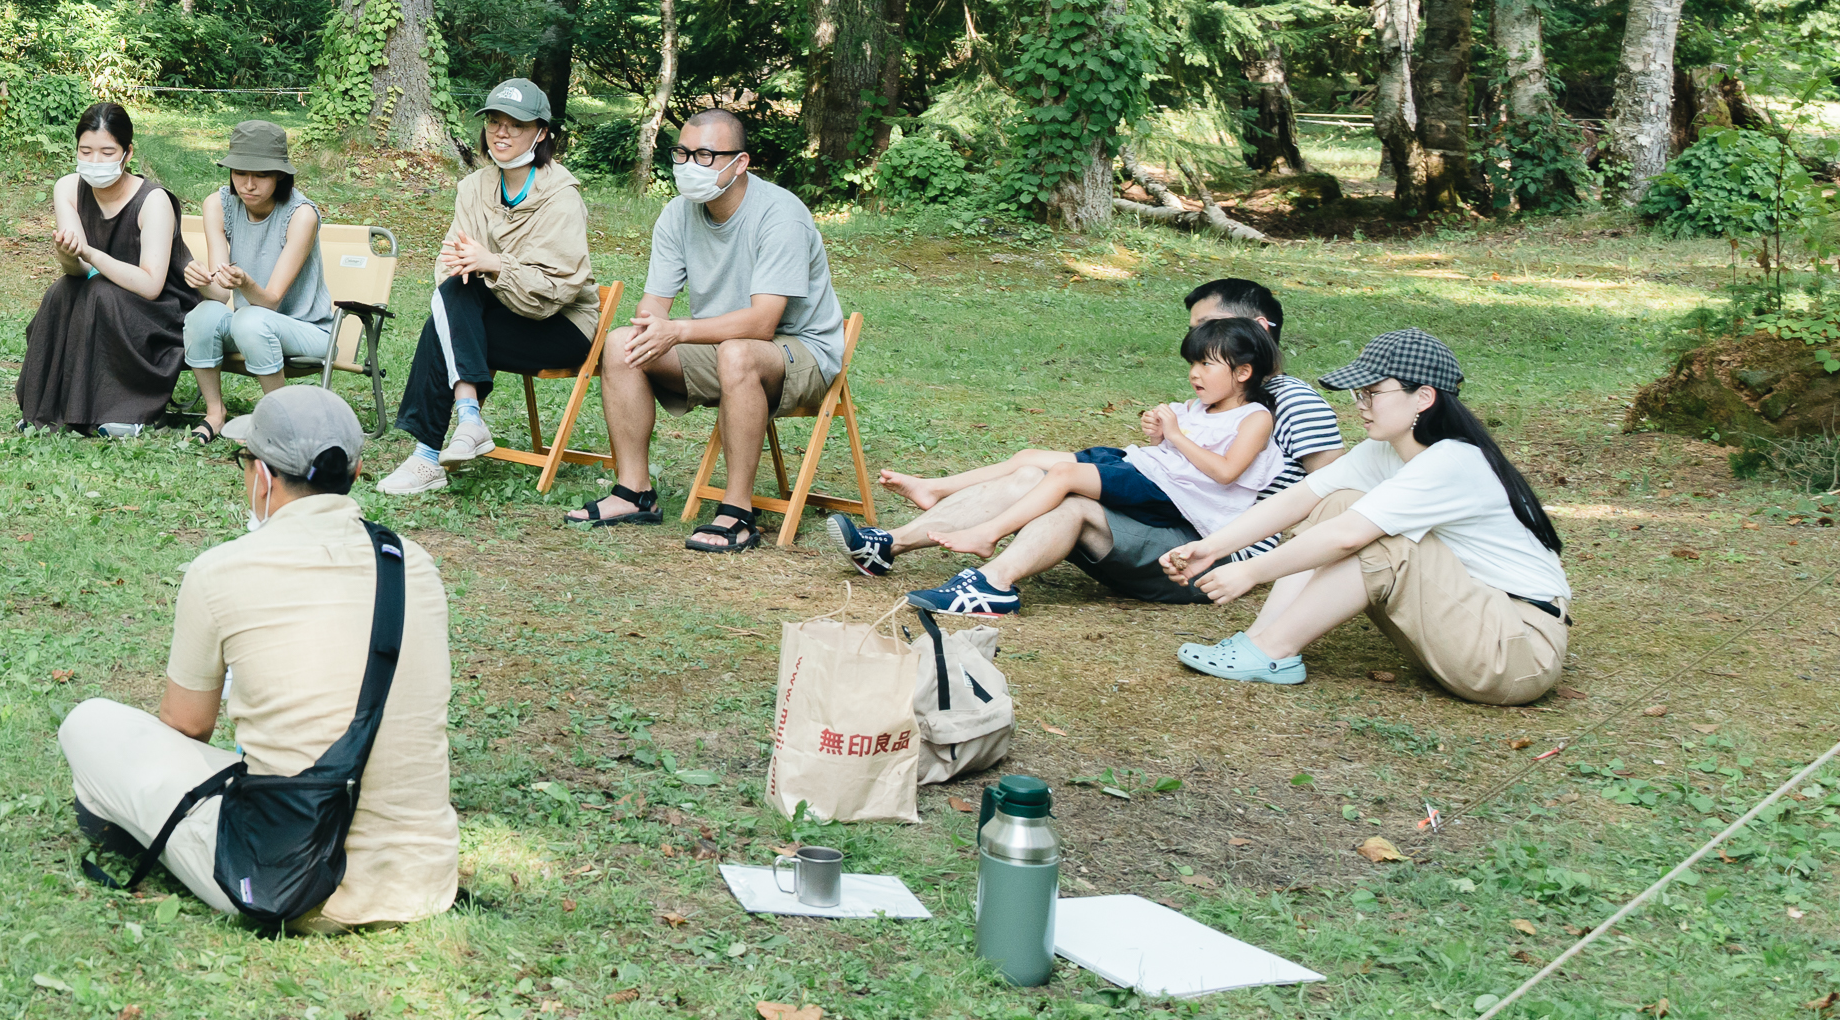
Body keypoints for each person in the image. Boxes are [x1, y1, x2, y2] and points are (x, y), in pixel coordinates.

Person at [53, 385, 455, 931]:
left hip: (294, 882)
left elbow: (187, 726)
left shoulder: (221, 570)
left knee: (89, 723)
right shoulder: (414, 563)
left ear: (262, 477)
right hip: (422, 878)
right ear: (355, 472)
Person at [836, 280, 1337, 618]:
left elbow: (1334, 488)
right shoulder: (1214, 399)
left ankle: (993, 583)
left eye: (1206, 329)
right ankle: (889, 544)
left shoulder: (1290, 400)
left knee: (1071, 497)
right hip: (1176, 509)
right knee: (1036, 475)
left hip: (1212, 547)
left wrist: (1276, 570)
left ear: (1256, 333)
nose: (1193, 340)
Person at [1165, 329, 1573, 704]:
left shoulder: (1453, 461)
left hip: (1517, 651)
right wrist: (1211, 548)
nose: (1361, 405)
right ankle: (1259, 643)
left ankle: (1272, 651)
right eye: (1359, 393)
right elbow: (1299, 498)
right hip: (1467, 624)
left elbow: (1347, 538)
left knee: (1383, 541)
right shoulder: (1386, 450)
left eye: (1372, 393)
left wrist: (1252, 570)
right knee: (1338, 501)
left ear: (1424, 397)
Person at [582, 109, 850, 551]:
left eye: (705, 155)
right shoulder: (677, 214)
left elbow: (763, 323)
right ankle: (634, 493)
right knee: (621, 345)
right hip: (725, 345)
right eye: (683, 153)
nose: (690, 165)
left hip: (802, 353)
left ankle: (738, 512)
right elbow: (653, 310)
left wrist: (680, 330)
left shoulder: (781, 215)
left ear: (739, 163)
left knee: (738, 353)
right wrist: (651, 329)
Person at [383, 78, 598, 497]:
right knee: (453, 292)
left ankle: (430, 454)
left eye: (515, 124)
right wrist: (469, 267)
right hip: (496, 314)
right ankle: (466, 422)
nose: (501, 132)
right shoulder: (475, 188)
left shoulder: (562, 197)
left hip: (561, 327)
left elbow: (556, 291)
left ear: (542, 133)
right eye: (494, 121)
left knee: (444, 322)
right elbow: (450, 262)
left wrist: (495, 264)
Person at [13, 102, 187, 438]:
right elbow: (77, 268)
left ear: (127, 152)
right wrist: (68, 256)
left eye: (108, 152)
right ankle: (45, 408)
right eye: (86, 151)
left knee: (100, 294)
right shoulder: (68, 187)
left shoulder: (153, 201)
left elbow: (152, 284)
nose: (95, 161)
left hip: (159, 311)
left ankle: (129, 410)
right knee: (62, 291)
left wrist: (90, 253)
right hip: (100, 293)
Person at [179, 118, 333, 442]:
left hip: (307, 329)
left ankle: (280, 420)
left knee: (250, 318)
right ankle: (214, 413)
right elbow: (220, 294)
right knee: (202, 315)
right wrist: (200, 280)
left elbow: (272, 300)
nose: (248, 184)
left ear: (280, 175)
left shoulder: (301, 215)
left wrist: (246, 283)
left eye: (261, 175)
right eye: (240, 173)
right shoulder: (217, 205)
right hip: (249, 325)